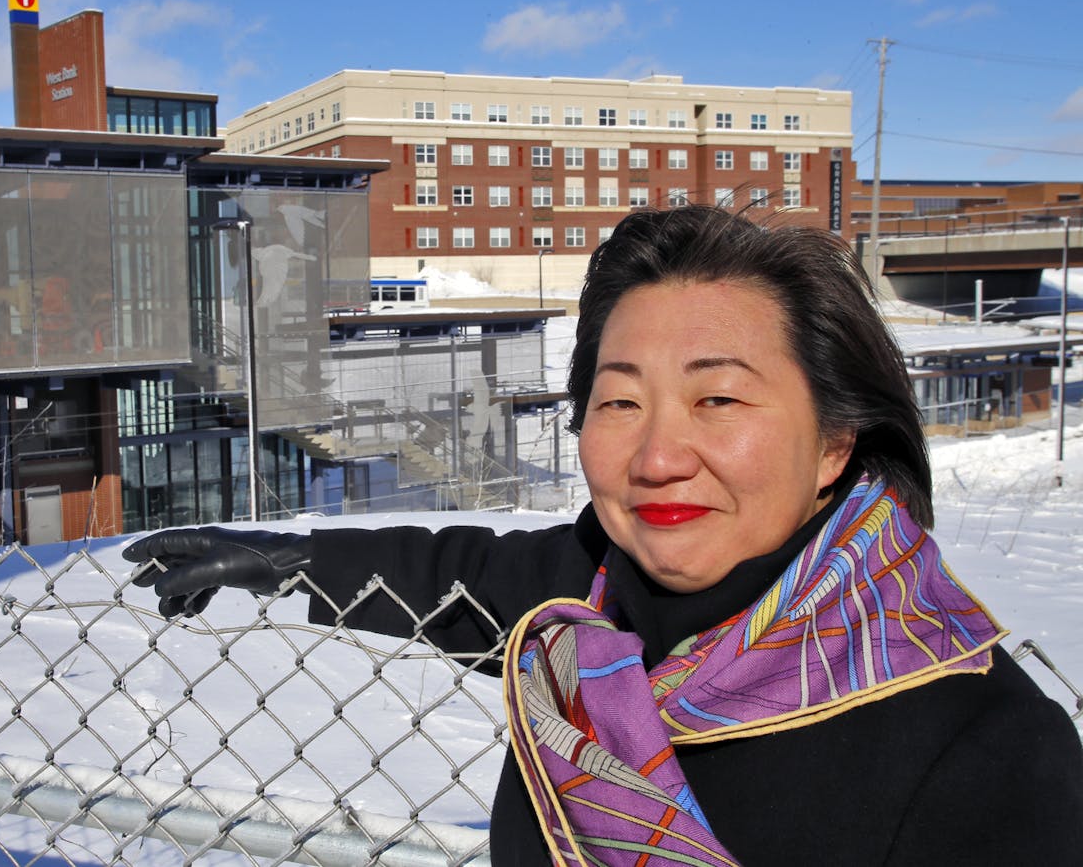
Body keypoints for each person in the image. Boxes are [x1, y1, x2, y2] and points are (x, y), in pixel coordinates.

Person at [123, 206, 1083, 865]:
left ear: (836, 439)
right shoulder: (592, 602)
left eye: (718, 397)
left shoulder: (983, 744)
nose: (659, 453)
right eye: (619, 399)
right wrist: (290, 561)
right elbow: (458, 573)